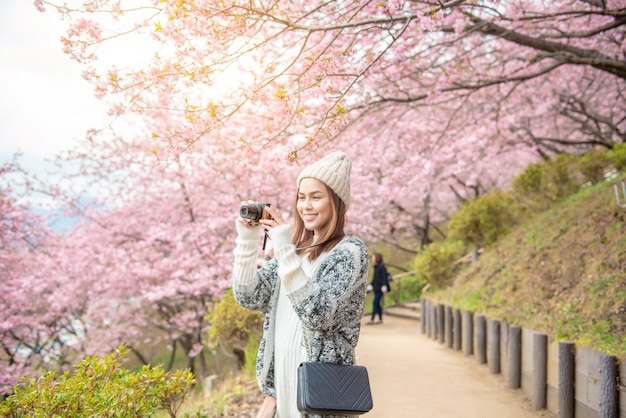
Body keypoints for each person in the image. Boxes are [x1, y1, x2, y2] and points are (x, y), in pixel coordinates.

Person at [231, 151, 370, 418]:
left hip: (321, 393)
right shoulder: (296, 251)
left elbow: (317, 314)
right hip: (283, 383)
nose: (306, 205)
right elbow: (249, 296)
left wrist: (283, 246)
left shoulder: (349, 252)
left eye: (316, 197)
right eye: (301, 197)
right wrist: (247, 240)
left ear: (336, 202)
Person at [367, 252, 390, 325]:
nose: (372, 259)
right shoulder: (376, 267)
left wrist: (384, 286)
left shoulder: (382, 266)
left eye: (373, 257)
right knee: (377, 303)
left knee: (375, 302)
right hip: (376, 288)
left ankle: (372, 319)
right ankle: (380, 319)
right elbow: (374, 279)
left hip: (380, 288)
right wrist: (370, 285)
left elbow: (384, 278)